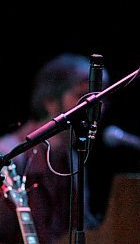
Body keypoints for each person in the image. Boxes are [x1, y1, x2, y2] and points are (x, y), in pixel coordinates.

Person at [0, 53, 109, 244]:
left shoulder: (73, 159)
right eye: (82, 97)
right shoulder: (9, 155)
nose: (96, 108)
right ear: (50, 100)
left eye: (100, 98)